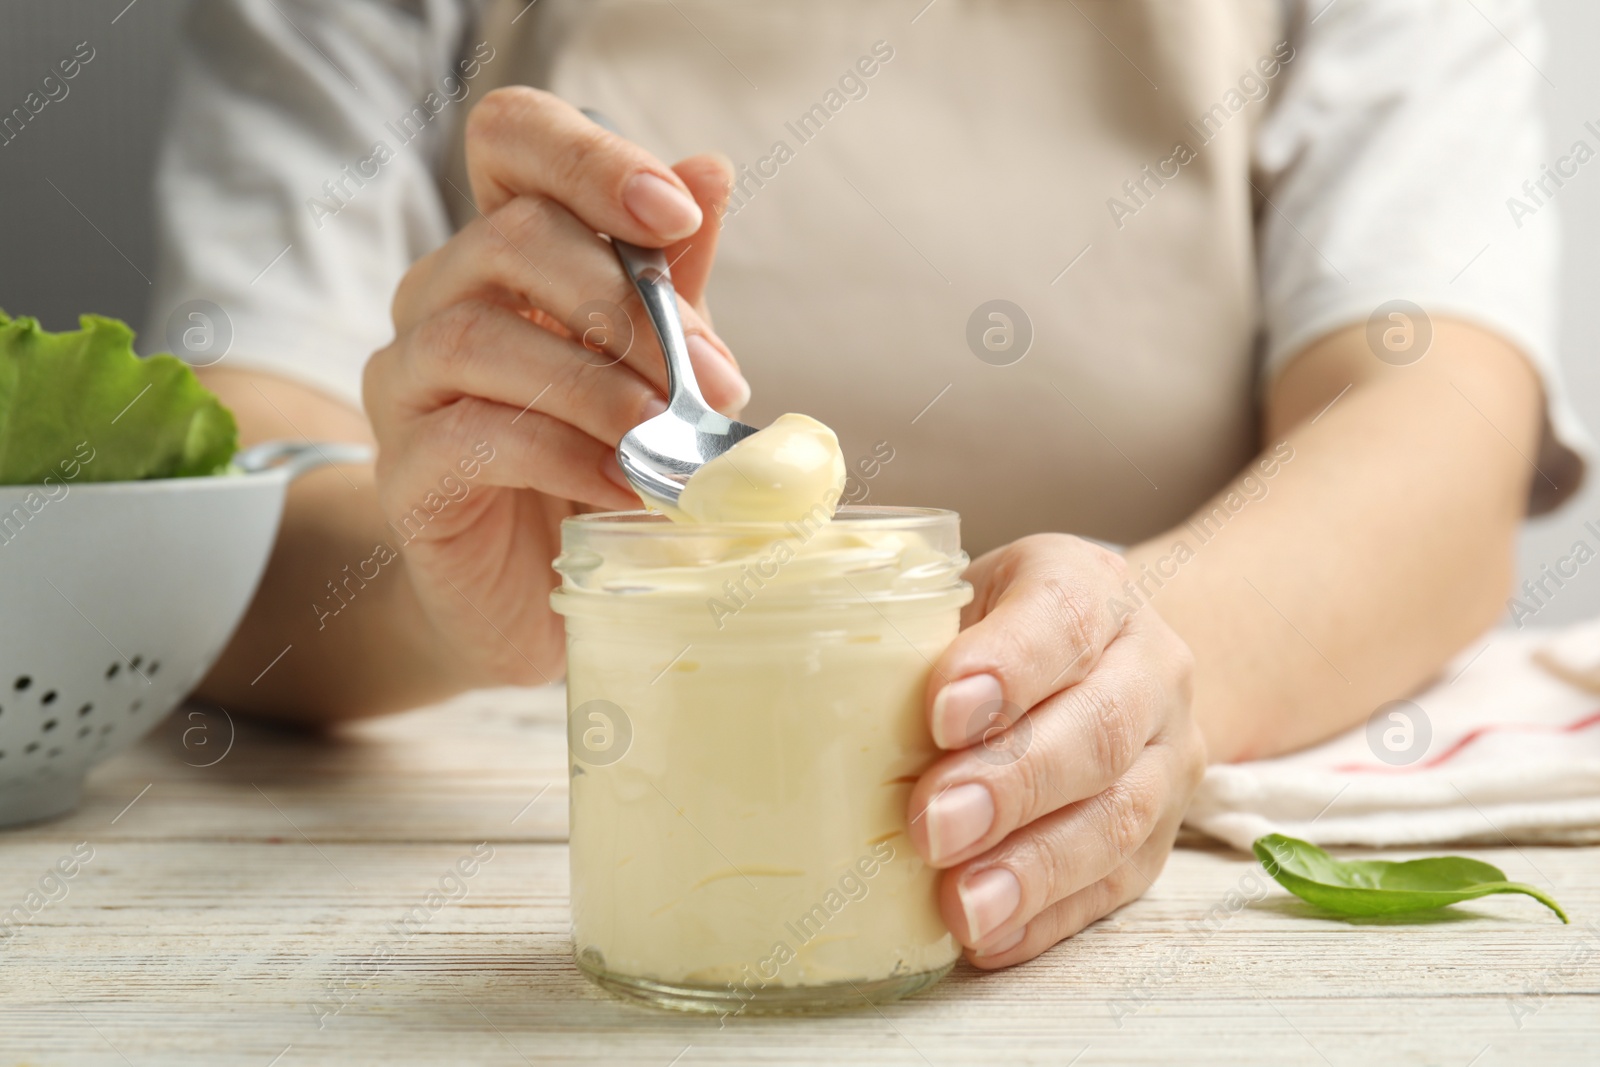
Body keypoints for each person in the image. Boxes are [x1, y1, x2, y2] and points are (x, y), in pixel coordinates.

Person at [147, 0, 1588, 968]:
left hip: (1162, 848)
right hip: (563, 781)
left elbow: (1436, 414)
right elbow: (219, 451)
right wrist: (436, 591)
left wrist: (1140, 659)